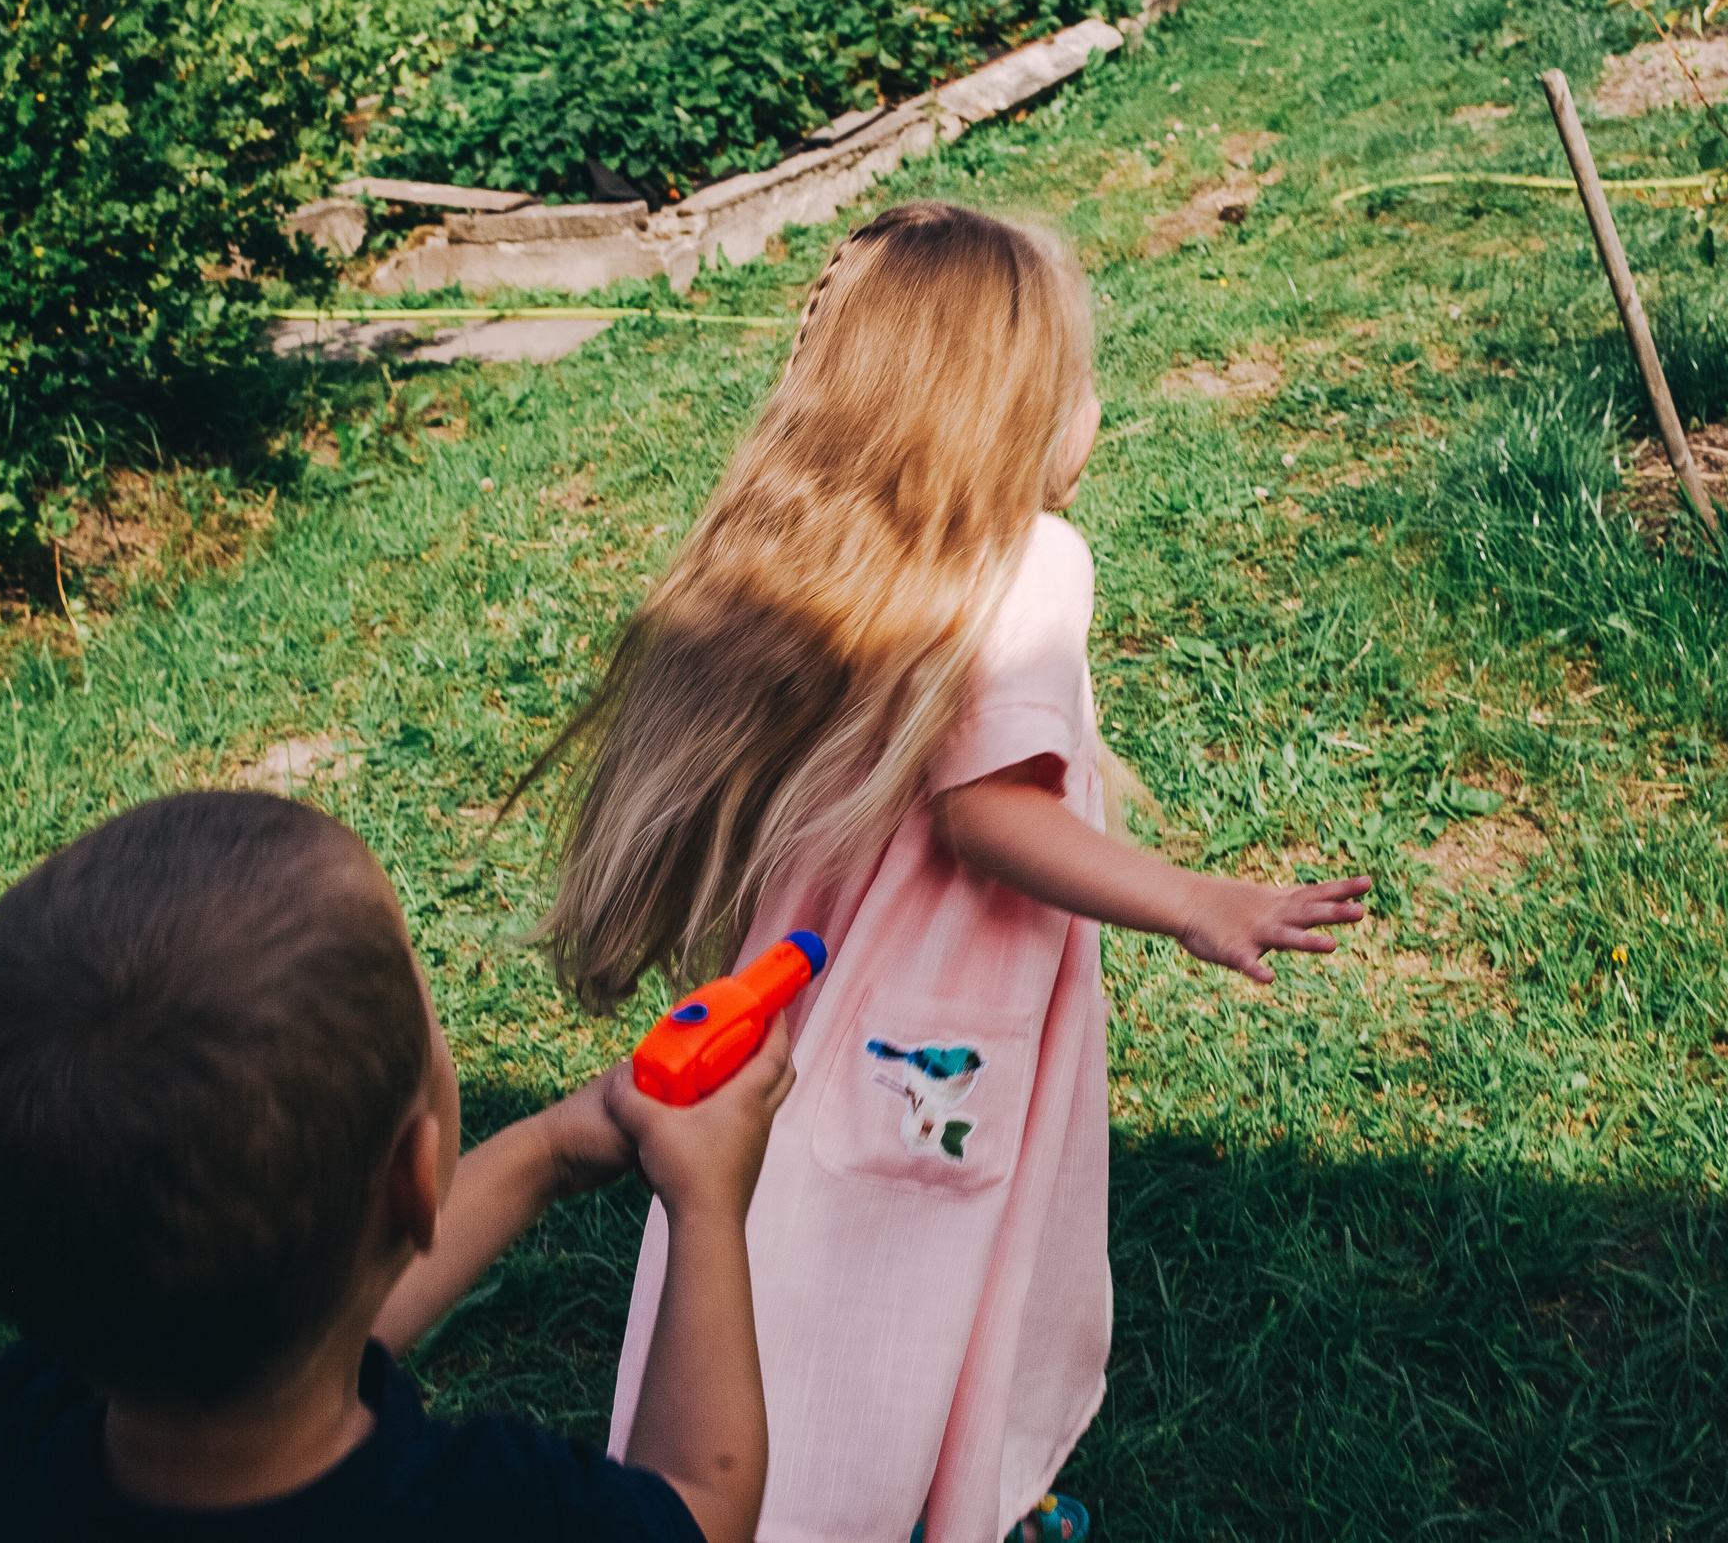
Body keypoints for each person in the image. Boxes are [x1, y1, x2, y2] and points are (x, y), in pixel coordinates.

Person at [523, 202, 1372, 1543]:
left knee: (784, 1286)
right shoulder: (1030, 563)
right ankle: (949, 1501)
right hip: (932, 1052)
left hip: (799, 1053)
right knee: (930, 1290)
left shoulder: (836, 554)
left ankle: (803, 1499)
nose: (1095, 407)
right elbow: (988, 815)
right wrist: (1196, 898)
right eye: (1074, 380)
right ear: (1009, 406)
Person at [0, 790, 795, 1542]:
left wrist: (551, 1148)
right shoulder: (493, 1511)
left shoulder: (18, 1434)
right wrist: (707, 1201)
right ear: (416, 1177)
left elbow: (301, 1314)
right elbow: (702, 1501)